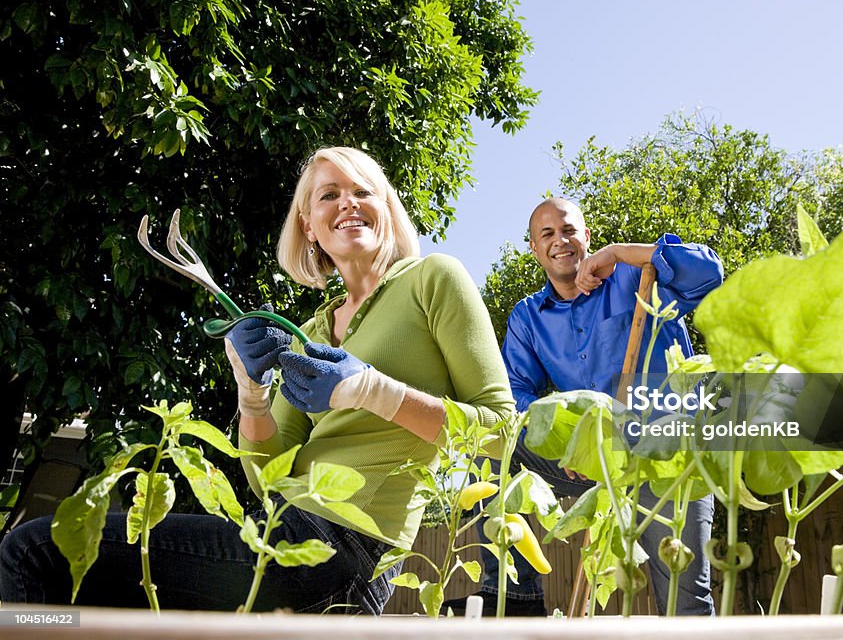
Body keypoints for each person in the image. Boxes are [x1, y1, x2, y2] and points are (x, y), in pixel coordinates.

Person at [0, 147, 515, 614]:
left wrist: (372, 390)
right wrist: (252, 395)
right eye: (329, 195)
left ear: (387, 208)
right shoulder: (312, 331)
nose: (349, 203)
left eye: (363, 191)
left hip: (345, 551)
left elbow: (500, 431)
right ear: (308, 225)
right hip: (283, 535)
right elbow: (271, 479)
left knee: (37, 551)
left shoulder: (433, 279)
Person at [448, 197, 723, 616]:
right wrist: (570, 438)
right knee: (490, 445)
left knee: (685, 602)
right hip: (589, 464)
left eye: (569, 230)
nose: (561, 241)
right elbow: (514, 396)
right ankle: (517, 597)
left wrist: (618, 253)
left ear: (586, 237)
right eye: (548, 235)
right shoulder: (528, 317)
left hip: (668, 458)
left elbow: (709, 273)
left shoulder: (636, 276)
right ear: (535, 249)